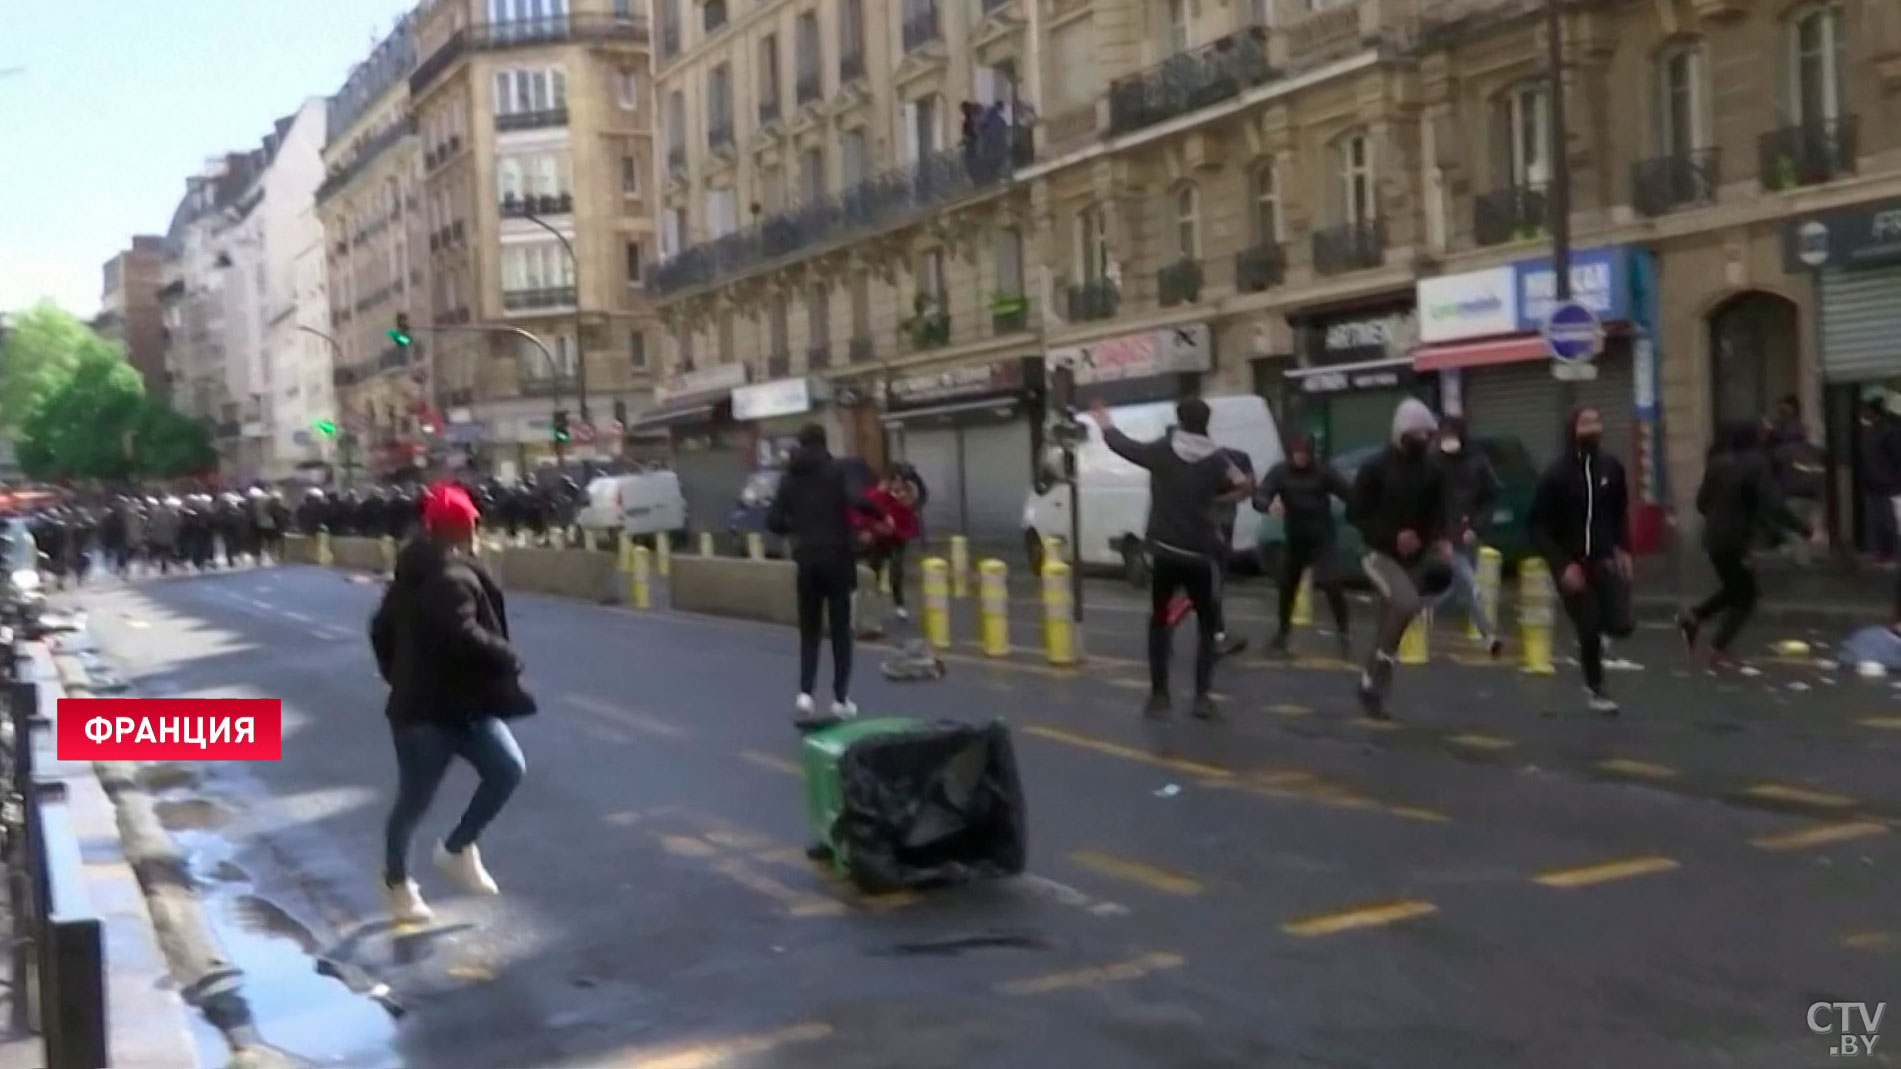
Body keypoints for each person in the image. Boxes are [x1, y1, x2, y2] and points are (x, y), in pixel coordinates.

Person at [369, 480, 533, 924]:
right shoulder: (449, 576)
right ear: (464, 530)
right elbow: (462, 632)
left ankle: (457, 849)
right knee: (416, 800)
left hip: (461, 706)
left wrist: (395, 674)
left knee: (506, 769)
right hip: (427, 713)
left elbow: (378, 630)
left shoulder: (412, 573)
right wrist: (507, 656)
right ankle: (397, 884)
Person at [1087, 396, 1252, 720]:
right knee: (1207, 626)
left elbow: (1124, 446)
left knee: (1160, 620)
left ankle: (1159, 694)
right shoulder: (1218, 459)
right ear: (1206, 421)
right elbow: (1245, 486)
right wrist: (1220, 499)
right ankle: (1202, 697)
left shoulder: (1163, 450)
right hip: (1199, 553)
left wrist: (1105, 423)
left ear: (1180, 420)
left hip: (1164, 550)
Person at [1347, 399, 1452, 720]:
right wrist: (1393, 536)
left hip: (1415, 557)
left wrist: (1439, 538)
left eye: (1427, 436)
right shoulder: (1375, 467)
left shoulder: (1432, 469)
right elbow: (1355, 513)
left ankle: (1372, 684)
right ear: (1401, 434)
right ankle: (1377, 679)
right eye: (1417, 435)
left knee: (1394, 620)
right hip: (1378, 553)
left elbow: (1439, 509)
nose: (1423, 442)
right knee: (1405, 604)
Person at [767, 423, 878, 727]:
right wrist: (878, 514)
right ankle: (840, 699)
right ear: (823, 443)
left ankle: (805, 694)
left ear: (800, 445)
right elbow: (857, 501)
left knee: (810, 630)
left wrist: (801, 527)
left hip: (807, 561)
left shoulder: (789, 479)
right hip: (838, 559)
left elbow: (773, 521)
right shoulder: (836, 471)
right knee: (841, 631)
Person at [1680, 421, 1817, 666]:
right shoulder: (1755, 465)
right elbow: (1773, 504)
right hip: (1737, 540)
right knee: (1747, 597)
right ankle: (1717, 647)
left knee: (1734, 588)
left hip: (1713, 539)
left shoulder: (1718, 464)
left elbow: (1701, 503)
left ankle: (1694, 616)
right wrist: (1800, 527)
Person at [1528, 406, 1635, 715]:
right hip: (1572, 565)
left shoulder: (1611, 468)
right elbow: (1536, 526)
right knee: (1588, 625)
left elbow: (1619, 511)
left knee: (1622, 624)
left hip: (1603, 559)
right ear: (1572, 429)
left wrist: (1623, 548)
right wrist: (1562, 566)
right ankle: (1596, 688)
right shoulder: (1556, 475)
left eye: (1597, 422)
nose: (1593, 428)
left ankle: (1599, 644)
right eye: (1586, 423)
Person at [1255, 433, 1353, 657]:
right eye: (1296, 454)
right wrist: (1266, 505)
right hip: (1295, 537)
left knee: (1331, 583)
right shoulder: (1280, 472)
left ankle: (1344, 632)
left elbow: (1348, 492)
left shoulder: (1323, 472)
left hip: (1322, 537)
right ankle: (1282, 632)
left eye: (1304, 454)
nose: (1300, 458)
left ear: (1311, 453)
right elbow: (1262, 493)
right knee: (1287, 585)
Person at [1433, 418, 1505, 657]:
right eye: (1444, 434)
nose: (1448, 440)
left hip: (1468, 535)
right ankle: (1489, 636)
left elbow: (1490, 496)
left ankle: (1416, 611)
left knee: (1458, 588)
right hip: (1444, 536)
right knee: (1469, 583)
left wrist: (1476, 526)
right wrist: (1437, 536)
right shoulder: (1434, 463)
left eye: (1452, 434)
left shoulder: (1477, 462)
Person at [1766, 396, 1827, 565]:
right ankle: (1806, 555)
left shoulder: (1780, 447)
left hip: (1791, 493)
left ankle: (1802, 560)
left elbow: (1771, 466)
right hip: (1812, 494)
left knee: (1792, 529)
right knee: (1805, 527)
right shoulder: (1812, 448)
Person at [861, 469, 920, 622]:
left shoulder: (905, 498)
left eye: (899, 482)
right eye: (893, 482)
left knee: (896, 571)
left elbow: (910, 524)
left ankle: (899, 604)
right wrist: (871, 529)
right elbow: (862, 514)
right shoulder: (875, 496)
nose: (896, 486)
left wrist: (897, 532)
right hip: (878, 539)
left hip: (897, 540)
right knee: (873, 572)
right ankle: (871, 605)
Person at [1856, 395, 1901, 565]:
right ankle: (1883, 555)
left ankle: (1890, 556)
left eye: (1866, 410)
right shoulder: (1874, 432)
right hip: (1878, 485)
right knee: (1880, 523)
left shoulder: (1887, 433)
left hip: (1887, 486)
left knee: (1888, 524)